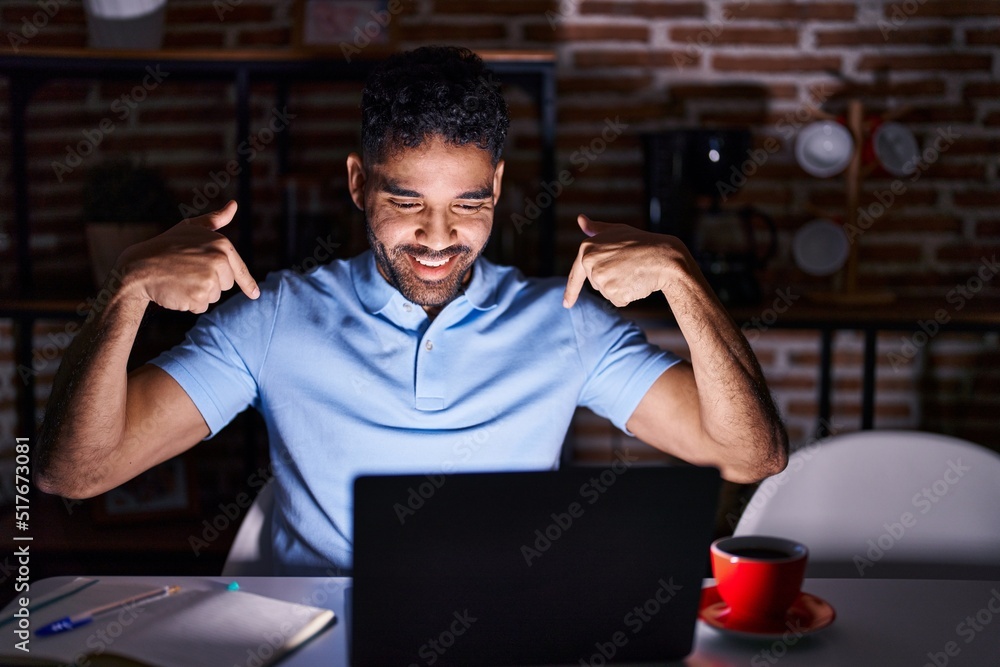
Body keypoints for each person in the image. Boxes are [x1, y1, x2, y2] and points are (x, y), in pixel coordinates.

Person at [36, 46, 787, 575]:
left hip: (497, 631)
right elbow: (73, 472)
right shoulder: (275, 318)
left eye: (469, 204)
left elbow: (752, 456)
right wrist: (125, 291)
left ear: (498, 186)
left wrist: (684, 280)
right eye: (406, 202)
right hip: (321, 633)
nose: (437, 237)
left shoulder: (563, 320)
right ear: (359, 183)